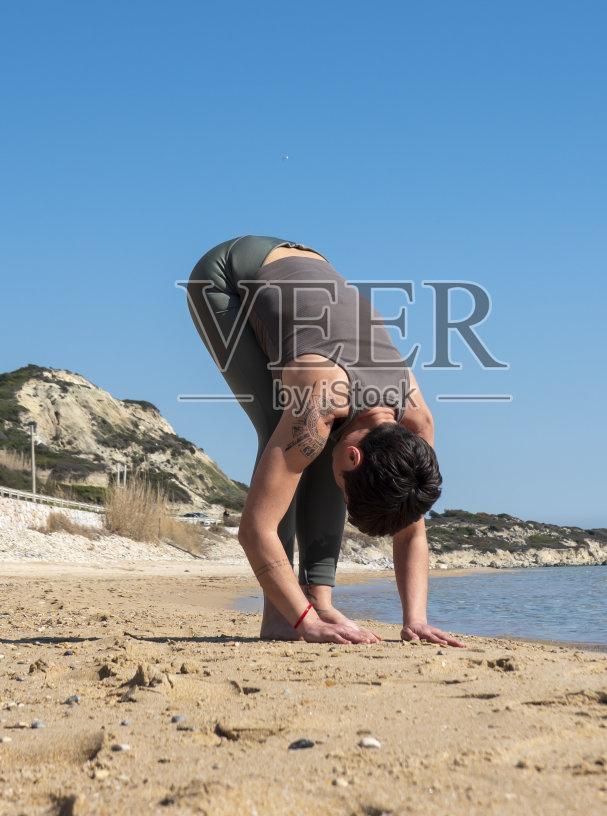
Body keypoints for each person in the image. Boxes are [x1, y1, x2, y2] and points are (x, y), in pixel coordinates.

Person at [185, 235, 464, 647]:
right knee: (283, 430)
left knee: (316, 442)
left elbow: (411, 526)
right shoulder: (320, 398)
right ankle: (282, 615)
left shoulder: (416, 427)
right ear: (354, 455)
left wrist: (415, 619)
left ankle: (319, 597)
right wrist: (304, 623)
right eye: (345, 493)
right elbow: (254, 529)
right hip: (228, 274)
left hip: (312, 265)